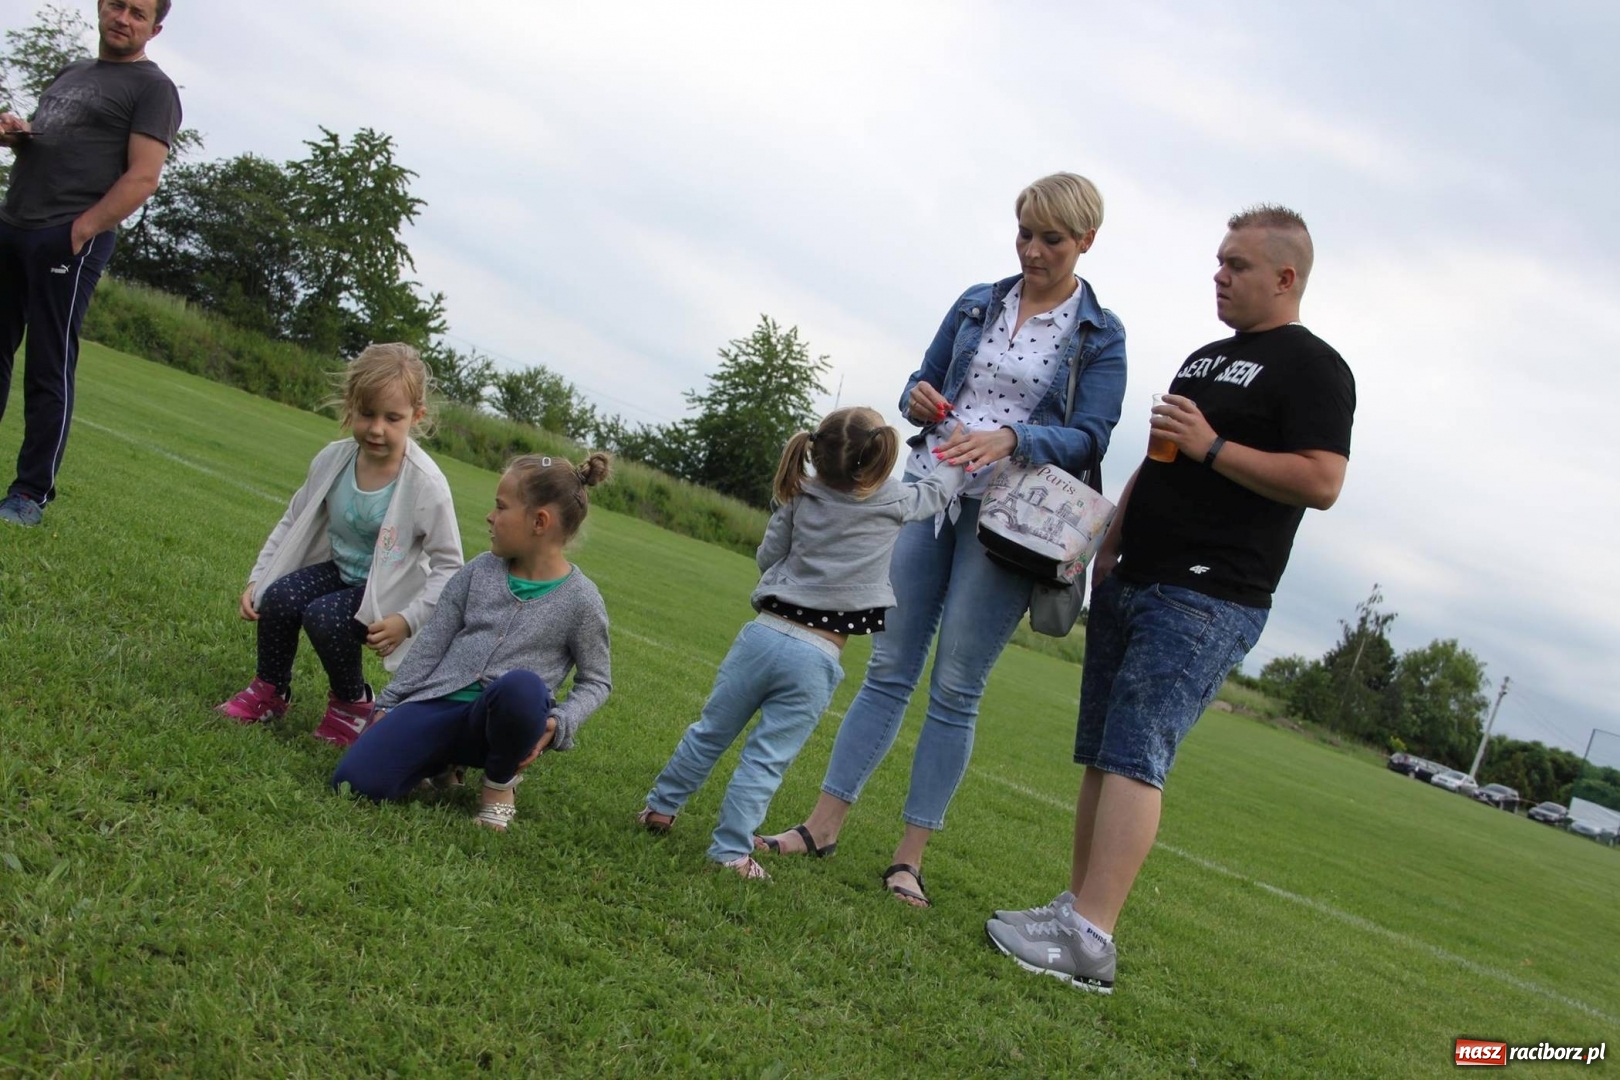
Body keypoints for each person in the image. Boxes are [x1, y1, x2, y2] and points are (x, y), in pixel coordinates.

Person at [985, 205, 1356, 994]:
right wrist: (1107, 543)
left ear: (1286, 277)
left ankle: (1092, 938)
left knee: (1136, 754)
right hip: (1136, 575)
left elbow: (1323, 479)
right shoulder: (1205, 358)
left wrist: (1214, 447)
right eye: (1219, 261)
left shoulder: (1314, 367)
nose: (1219, 275)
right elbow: (1161, 458)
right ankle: (1074, 908)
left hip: (1210, 593)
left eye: (1237, 266)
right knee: (1101, 751)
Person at [757, 174, 1127, 907]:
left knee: (956, 688)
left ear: (1085, 240)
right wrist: (918, 398)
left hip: (1011, 520)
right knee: (888, 668)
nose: (1032, 251)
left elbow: (1092, 433)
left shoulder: (1101, 332)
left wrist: (1012, 437)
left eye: (1050, 239)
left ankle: (908, 858)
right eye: (1024, 233)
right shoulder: (976, 302)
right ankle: (822, 825)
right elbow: (918, 385)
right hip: (927, 495)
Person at [637, 408, 966, 879]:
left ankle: (660, 809)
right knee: (765, 758)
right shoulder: (892, 500)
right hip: (816, 656)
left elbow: (768, 556)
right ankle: (730, 851)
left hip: (762, 634)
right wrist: (956, 447)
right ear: (881, 455)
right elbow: (937, 492)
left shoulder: (799, 494)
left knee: (709, 732)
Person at [331, 454, 614, 831]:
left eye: (500, 507)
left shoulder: (581, 600)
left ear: (539, 522)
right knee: (354, 783)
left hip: (503, 724)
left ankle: (499, 785)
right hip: (439, 704)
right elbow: (432, 643)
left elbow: (597, 680)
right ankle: (440, 762)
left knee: (522, 686)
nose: (490, 517)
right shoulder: (477, 572)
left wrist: (561, 720)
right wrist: (389, 704)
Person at [216, 344, 463, 746]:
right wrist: (259, 578)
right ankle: (270, 691)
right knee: (278, 597)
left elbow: (450, 565)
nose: (376, 428)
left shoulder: (426, 484)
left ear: (416, 417)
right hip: (341, 570)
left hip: (386, 592)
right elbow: (293, 519)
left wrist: (408, 619)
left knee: (324, 616)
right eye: (366, 414)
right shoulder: (334, 460)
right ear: (351, 406)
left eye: (392, 417)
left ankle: (353, 706)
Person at [0, 0, 183, 527]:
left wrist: (81, 230)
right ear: (102, 8)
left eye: (138, 13)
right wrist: (19, 135)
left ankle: (30, 493)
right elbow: (55, 143)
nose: (123, 18)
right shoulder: (73, 72)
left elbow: (143, 176)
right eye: (116, 5)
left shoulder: (153, 89)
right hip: (15, 221)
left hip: (69, 237)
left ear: (155, 27)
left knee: (48, 364)